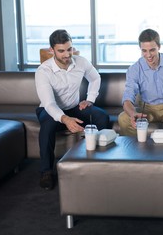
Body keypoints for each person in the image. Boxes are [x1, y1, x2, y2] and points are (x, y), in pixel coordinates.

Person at [35, 29, 109, 190]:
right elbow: (48, 103)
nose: (67, 54)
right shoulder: (43, 71)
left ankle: (99, 161)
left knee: (102, 117)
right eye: (61, 51)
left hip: (74, 107)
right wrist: (65, 119)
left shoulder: (81, 61)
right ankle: (46, 171)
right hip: (50, 110)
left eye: (69, 49)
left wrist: (90, 99)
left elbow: (95, 78)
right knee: (47, 127)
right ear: (51, 50)